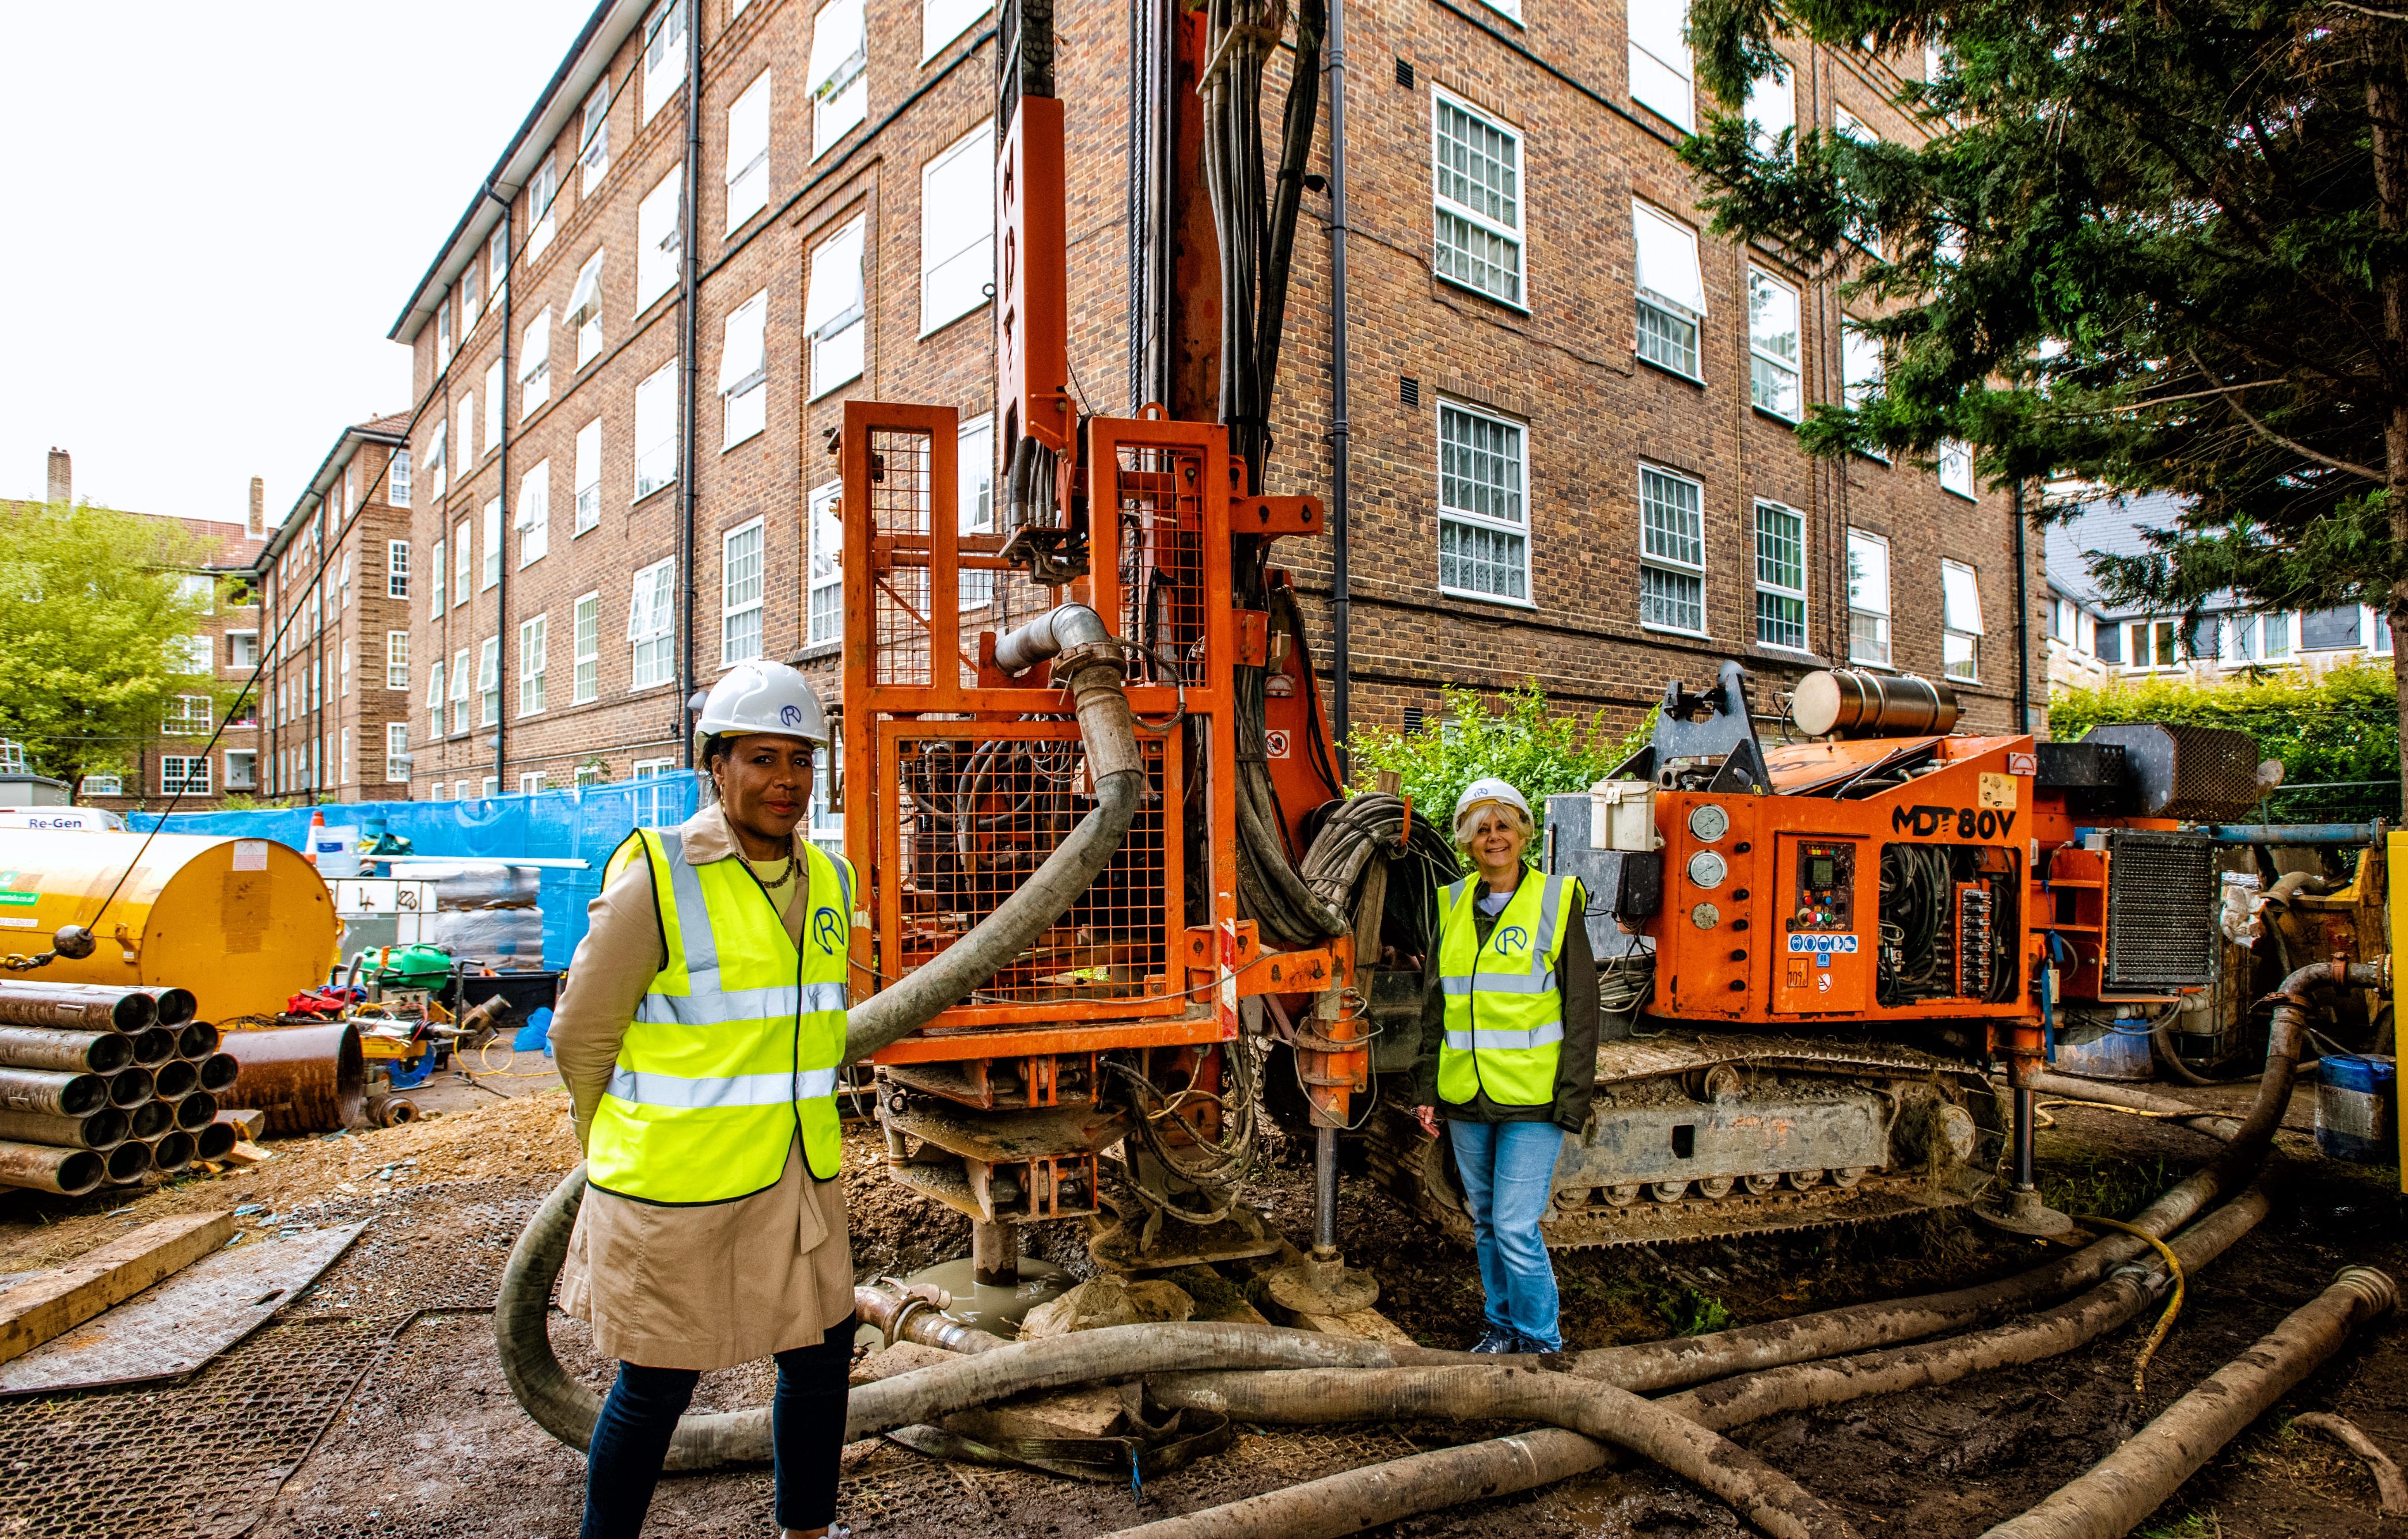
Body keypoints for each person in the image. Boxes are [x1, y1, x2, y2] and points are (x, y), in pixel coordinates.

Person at [549, 659, 857, 1539]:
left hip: (799, 1171)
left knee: (820, 1357)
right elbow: (581, 1035)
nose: (787, 781)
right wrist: (603, 1133)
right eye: (763, 758)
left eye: (801, 760)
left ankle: (807, 1529)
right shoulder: (658, 874)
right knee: (656, 1387)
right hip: (681, 1184)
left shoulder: (829, 881)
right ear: (714, 766)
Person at [1409, 777, 1596, 1355]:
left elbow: (1582, 1009)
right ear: (1467, 842)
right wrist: (1426, 1088)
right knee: (1486, 1222)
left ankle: (1542, 1345)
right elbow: (1435, 1005)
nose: (1494, 838)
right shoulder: (1451, 902)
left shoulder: (1556, 900)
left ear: (1522, 833)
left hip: (1532, 1098)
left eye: (1504, 826)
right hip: (1465, 1095)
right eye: (1481, 828)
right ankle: (1500, 1327)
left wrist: (1572, 1099)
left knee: (1515, 1227)